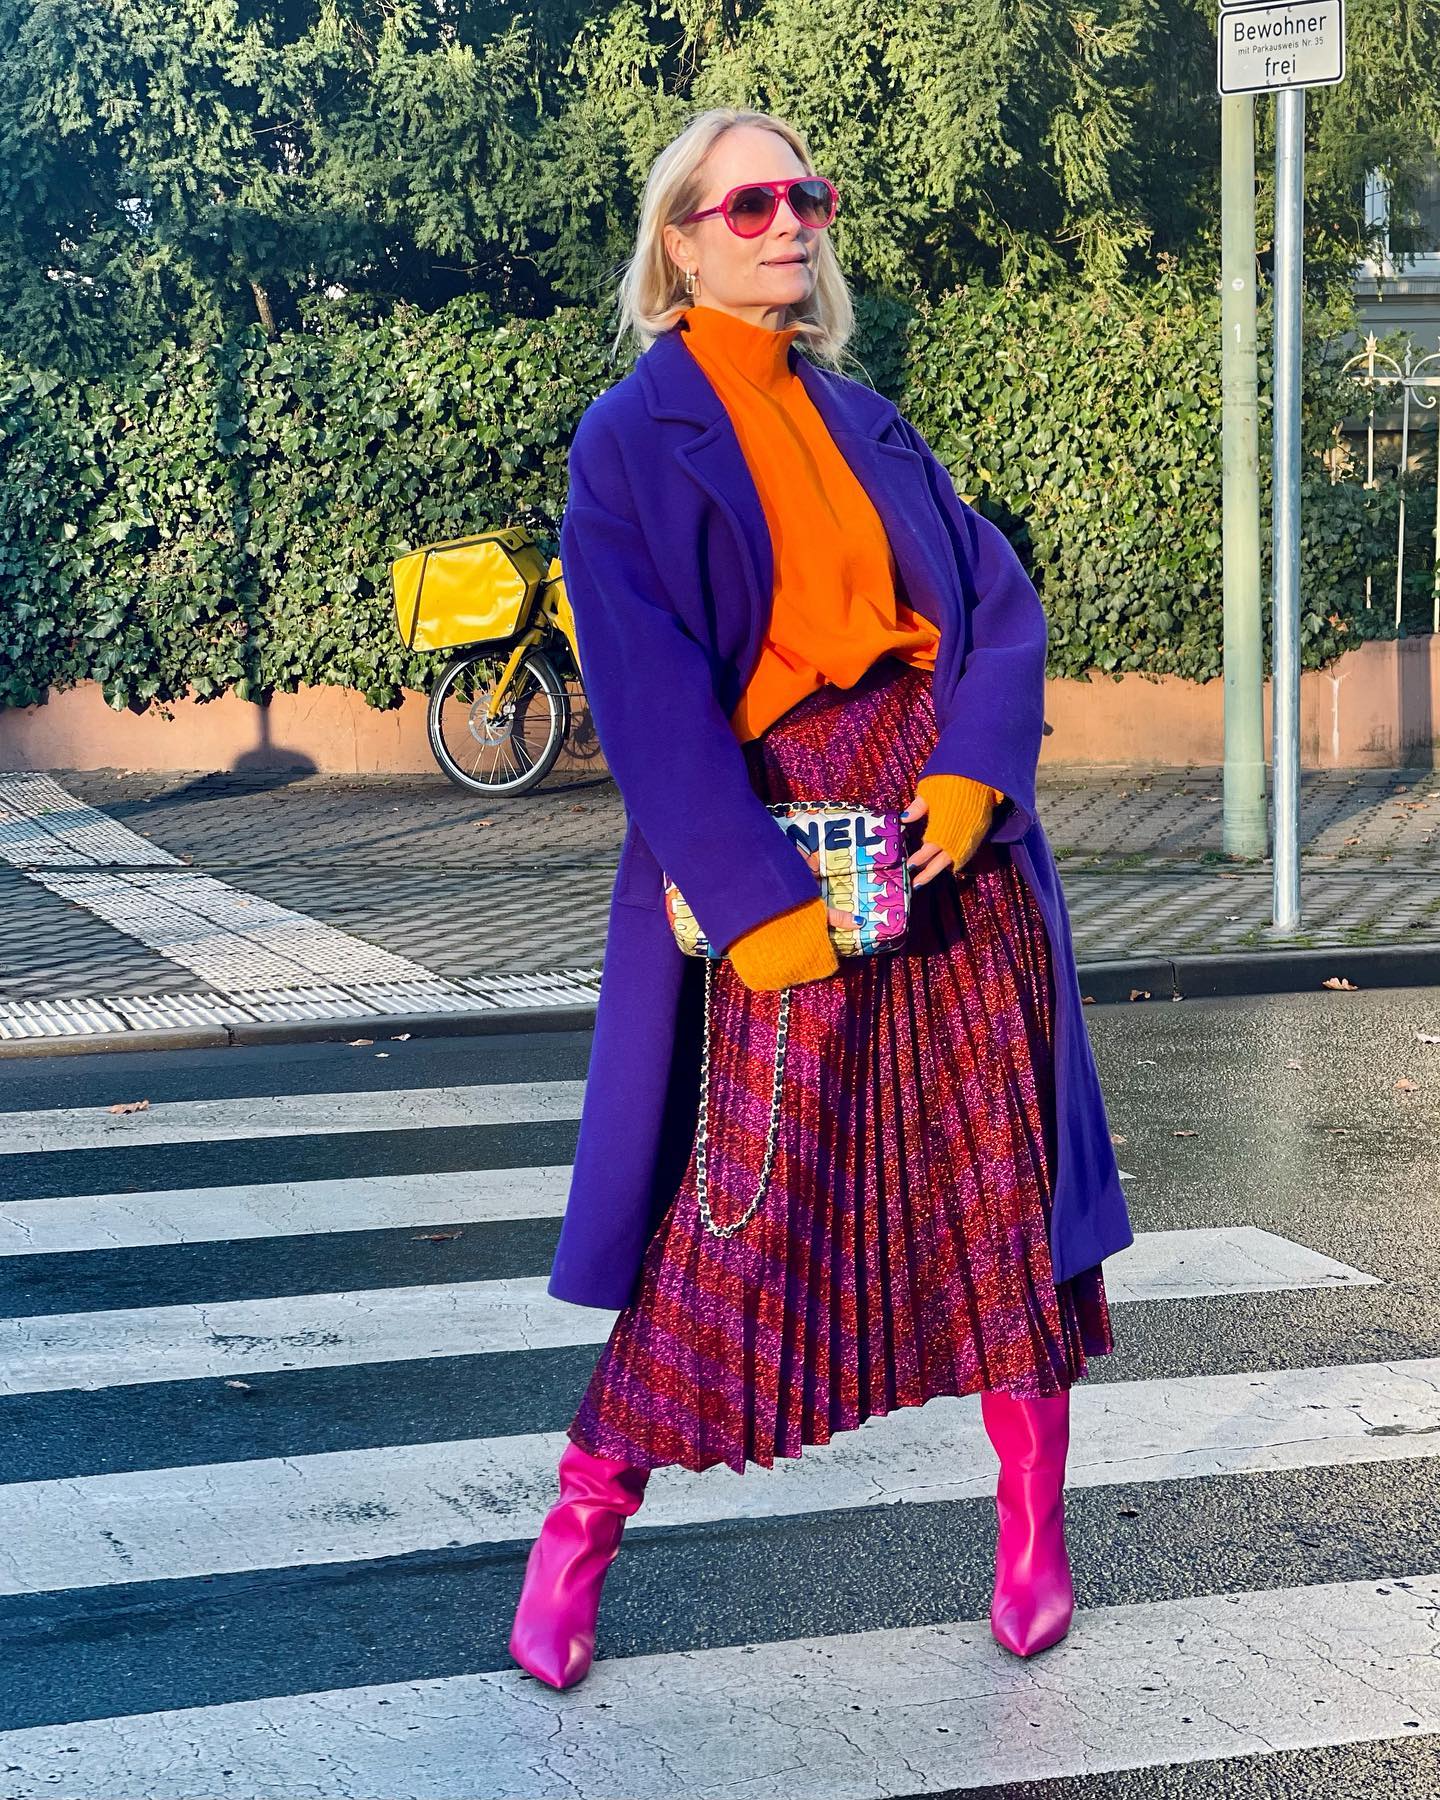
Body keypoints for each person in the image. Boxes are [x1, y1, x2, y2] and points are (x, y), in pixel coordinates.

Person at [509, 105, 1134, 1691]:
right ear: (682, 237)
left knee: (1004, 1191)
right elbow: (645, 693)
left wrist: (981, 769)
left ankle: (1032, 1536)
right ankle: (583, 1524)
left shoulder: (869, 420)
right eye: (752, 201)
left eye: (808, 196)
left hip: (949, 848)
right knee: (740, 1212)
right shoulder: (628, 439)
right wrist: (752, 897)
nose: (789, 223)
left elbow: (997, 603)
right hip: (784, 850)